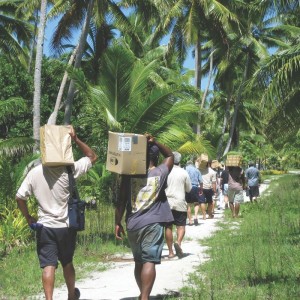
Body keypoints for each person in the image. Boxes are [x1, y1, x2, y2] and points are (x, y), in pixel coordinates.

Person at [15, 126, 97, 300]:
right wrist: (76, 139)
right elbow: (92, 156)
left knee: (48, 266)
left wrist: (28, 217)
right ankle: (71, 295)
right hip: (66, 227)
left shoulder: (35, 173)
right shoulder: (70, 170)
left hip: (45, 227)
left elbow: (19, 197)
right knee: (67, 262)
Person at [115, 134, 174, 300]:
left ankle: (143, 293)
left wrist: (117, 222)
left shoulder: (128, 175)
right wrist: (154, 142)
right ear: (155, 157)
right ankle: (145, 297)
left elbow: (120, 201)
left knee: (139, 261)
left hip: (133, 224)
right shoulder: (160, 172)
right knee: (149, 261)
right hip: (152, 223)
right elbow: (170, 156)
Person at [165, 152, 192, 259]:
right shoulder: (184, 172)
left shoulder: (165, 171)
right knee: (181, 226)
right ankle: (178, 243)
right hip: (180, 201)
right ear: (179, 160)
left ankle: (171, 252)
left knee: (168, 226)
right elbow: (189, 189)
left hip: (167, 202)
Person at [185, 159, 204, 225]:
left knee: (188, 204)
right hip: (195, 187)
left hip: (187, 188)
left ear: (187, 164)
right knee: (196, 203)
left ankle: (190, 220)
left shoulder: (185, 169)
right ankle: (195, 217)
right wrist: (201, 189)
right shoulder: (197, 170)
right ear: (192, 164)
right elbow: (201, 181)